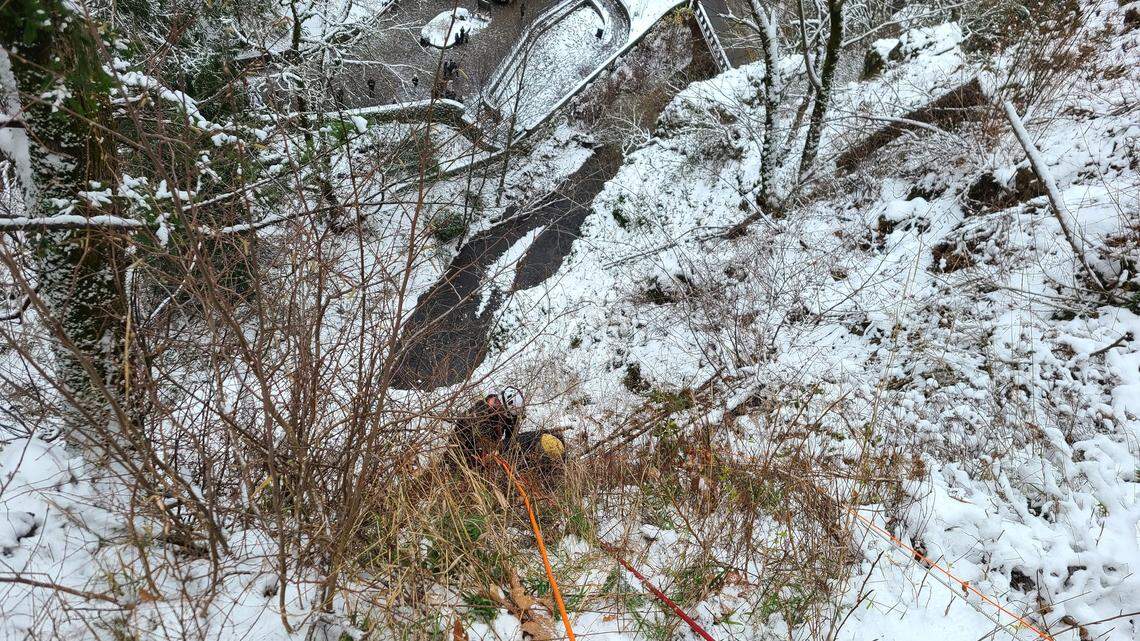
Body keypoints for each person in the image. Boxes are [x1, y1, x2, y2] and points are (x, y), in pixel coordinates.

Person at [453, 386, 525, 465]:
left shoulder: (499, 410)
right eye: (505, 412)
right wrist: (506, 445)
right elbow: (489, 447)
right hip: (461, 459)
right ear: (500, 404)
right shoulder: (478, 416)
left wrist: (512, 425)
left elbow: (512, 436)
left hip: (481, 455)